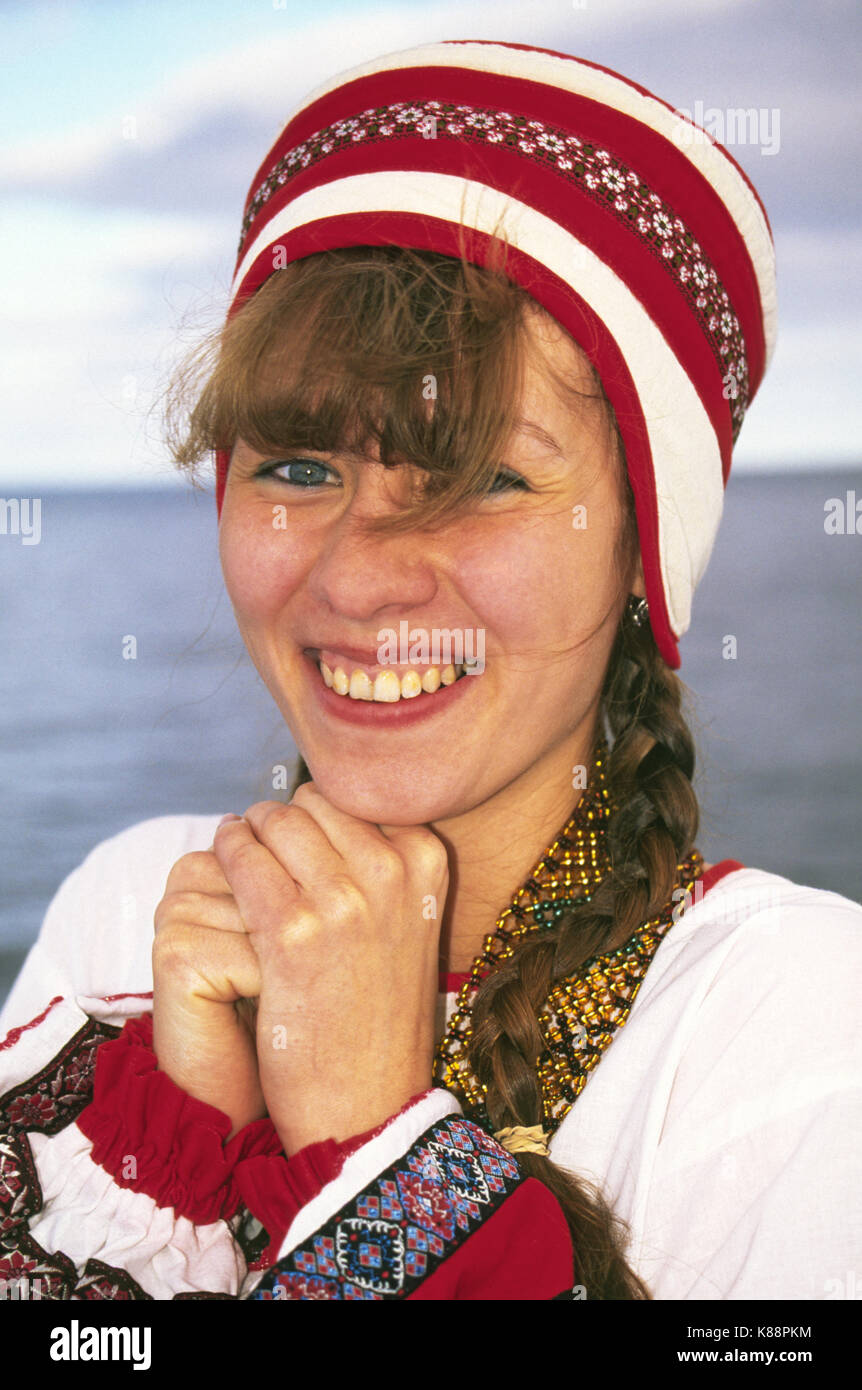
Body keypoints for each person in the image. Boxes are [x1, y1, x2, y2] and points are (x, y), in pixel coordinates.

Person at [1, 38, 860, 1303]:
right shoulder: (128, 915)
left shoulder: (796, 1027)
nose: (359, 578)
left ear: (647, 543)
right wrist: (188, 1124)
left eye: (487, 479)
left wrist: (367, 1133)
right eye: (298, 466)